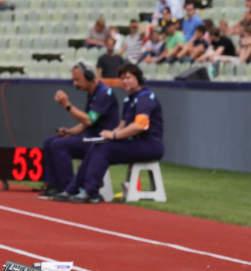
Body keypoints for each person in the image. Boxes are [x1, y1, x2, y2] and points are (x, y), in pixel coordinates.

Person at [64, 64, 164, 204]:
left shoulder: (146, 97)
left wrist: (114, 136)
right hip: (136, 143)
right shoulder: (129, 99)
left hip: (150, 145)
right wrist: (108, 135)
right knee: (97, 145)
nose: (124, 81)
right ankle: (73, 188)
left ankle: (91, 192)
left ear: (138, 79)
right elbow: (122, 126)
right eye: (122, 79)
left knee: (104, 149)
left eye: (128, 78)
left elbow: (138, 126)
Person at [38, 60, 119, 199]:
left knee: (59, 145)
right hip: (90, 137)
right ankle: (55, 185)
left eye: (77, 80)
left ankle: (70, 188)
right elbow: (86, 123)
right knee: (49, 141)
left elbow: (88, 120)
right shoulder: (92, 93)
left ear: (88, 76)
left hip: (100, 142)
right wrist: (69, 132)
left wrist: (67, 105)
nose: (75, 84)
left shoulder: (104, 93)